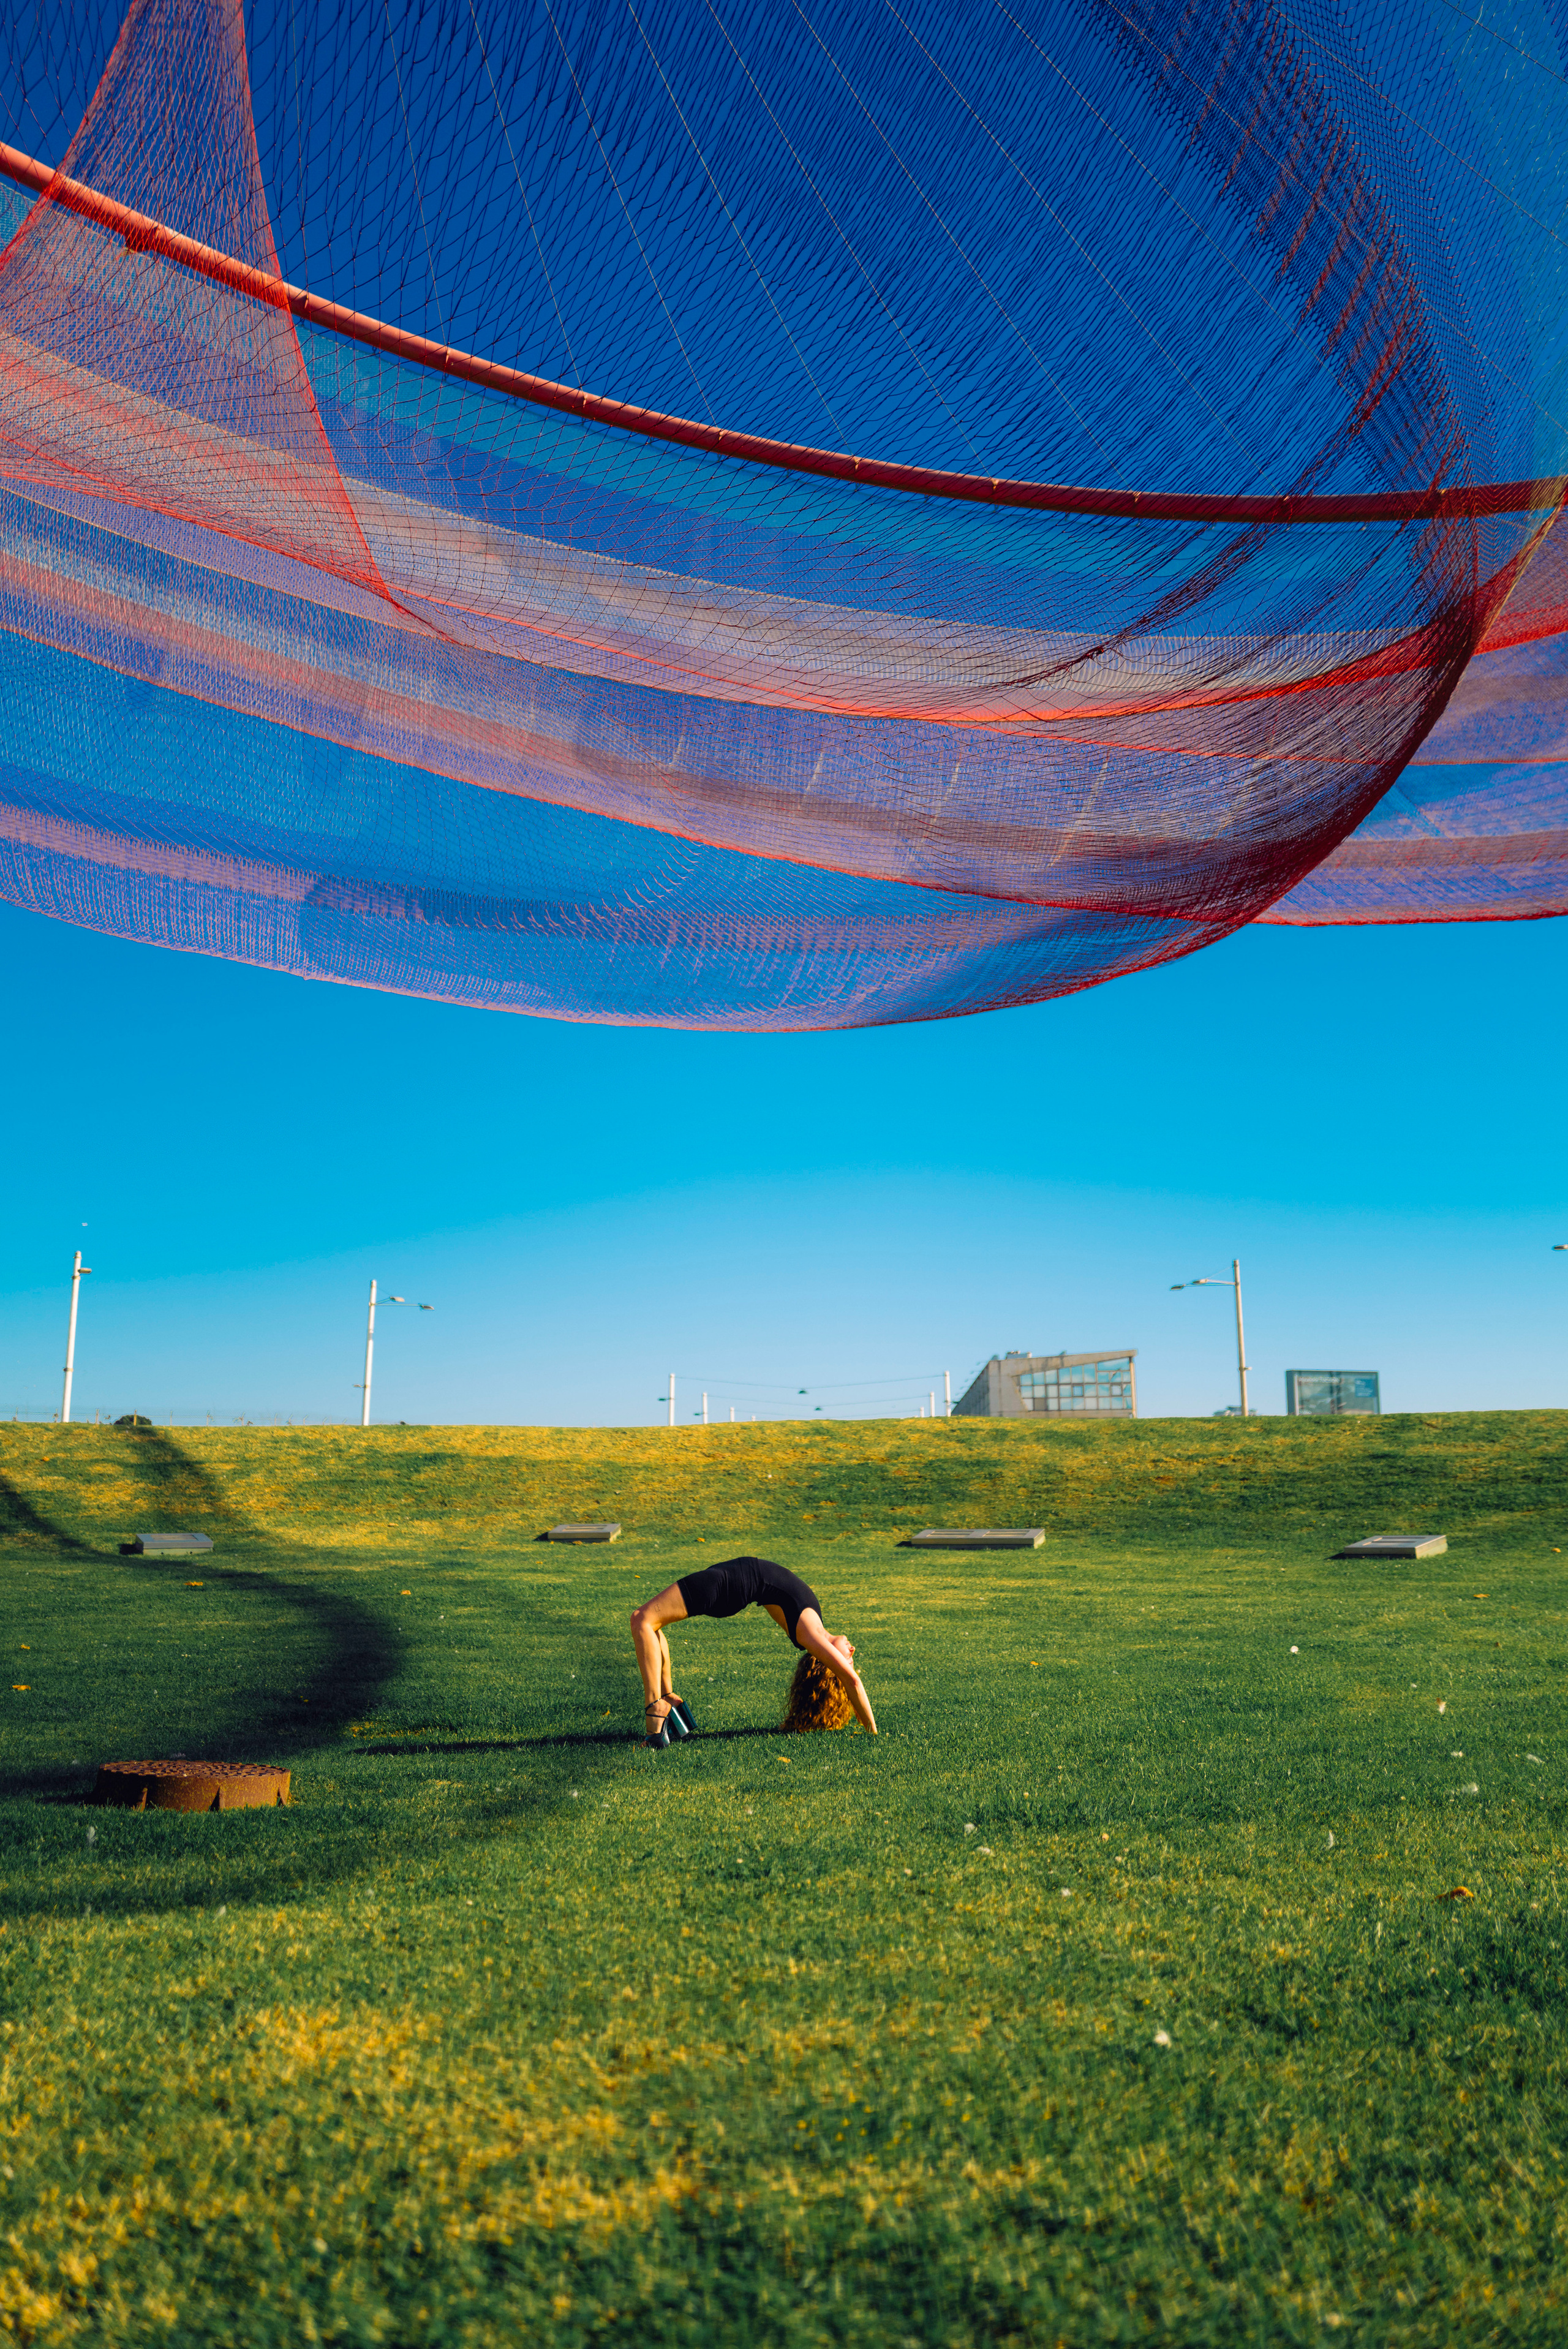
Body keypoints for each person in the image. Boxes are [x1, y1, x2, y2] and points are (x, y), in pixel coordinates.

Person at [629, 1554, 877, 1746]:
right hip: (730, 1578)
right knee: (652, 1623)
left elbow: (852, 1682)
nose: (852, 1651)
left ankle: (655, 1710)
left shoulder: (810, 1636)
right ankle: (669, 1698)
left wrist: (873, 1733)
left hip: (729, 1585)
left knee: (642, 1620)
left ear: (827, 1663)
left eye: (847, 1660)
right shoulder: (815, 1625)